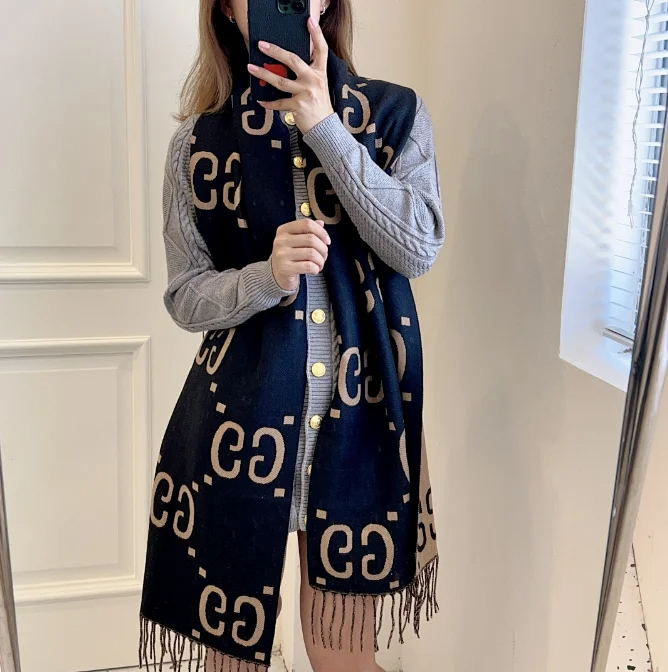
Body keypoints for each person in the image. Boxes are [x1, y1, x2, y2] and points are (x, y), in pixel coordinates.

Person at [139, 1, 445, 671]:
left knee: (342, 660)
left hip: (360, 433)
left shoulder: (395, 116)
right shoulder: (196, 144)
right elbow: (185, 295)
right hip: (234, 436)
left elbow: (418, 246)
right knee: (231, 662)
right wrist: (265, 277)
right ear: (227, 8)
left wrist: (325, 128)